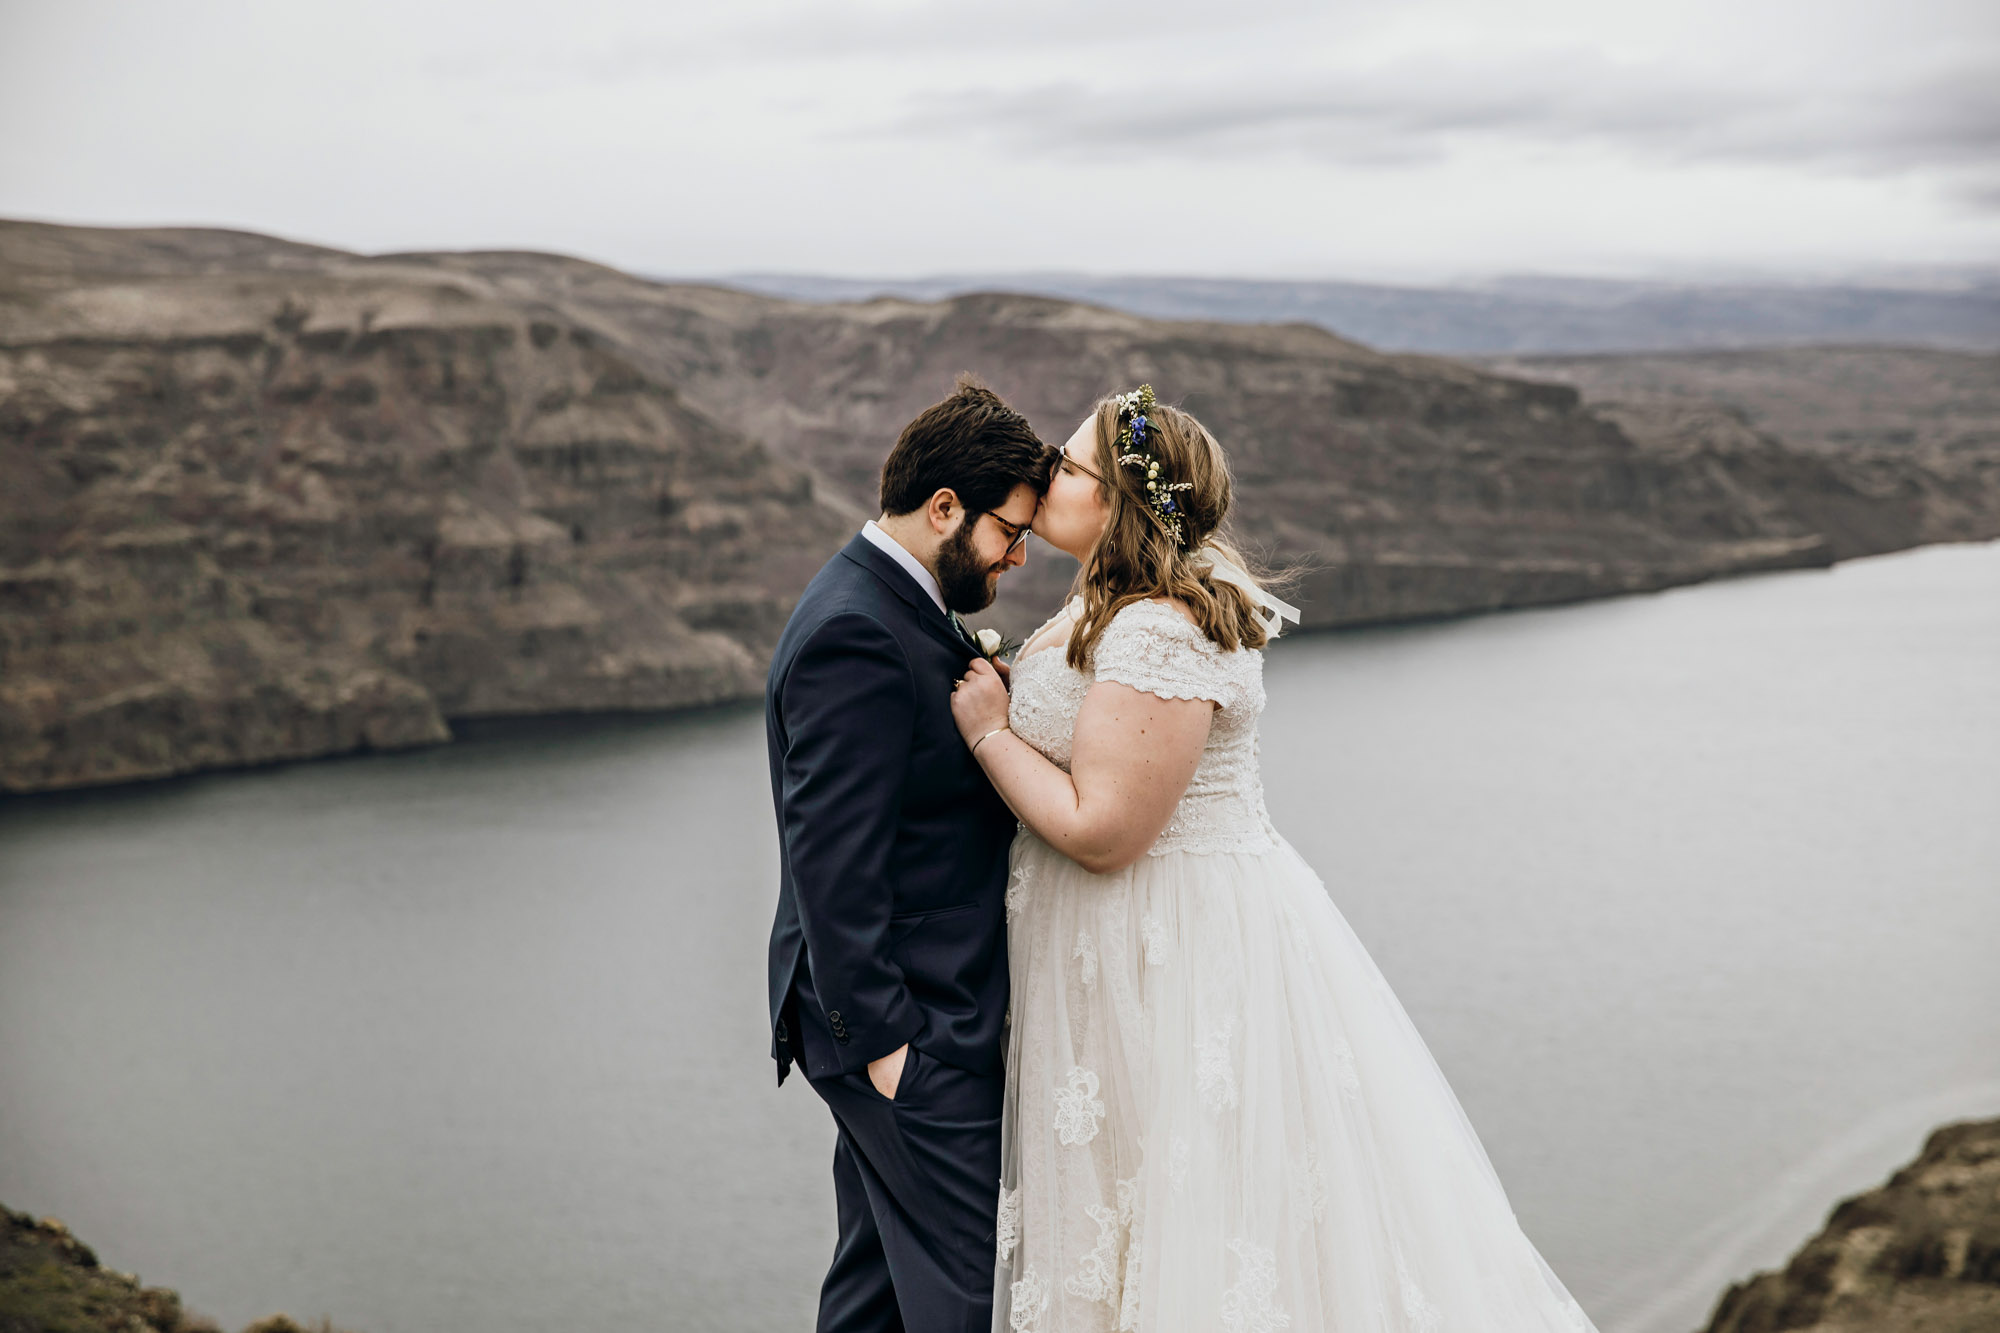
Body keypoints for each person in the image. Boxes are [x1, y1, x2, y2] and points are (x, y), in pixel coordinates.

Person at [949, 387, 1599, 1332]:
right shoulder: (1099, 601)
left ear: (1124, 504)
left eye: (1076, 466)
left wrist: (989, 733)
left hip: (1167, 953)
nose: (1051, 472)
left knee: (1200, 1226)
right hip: (1105, 953)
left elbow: (1104, 831)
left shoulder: (1158, 627)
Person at [766, 376, 1057, 1333]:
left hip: (919, 1023)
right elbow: (831, 864)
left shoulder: (896, 600)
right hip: (908, 1030)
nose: (1017, 554)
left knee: (878, 1296)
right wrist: (887, 1050)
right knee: (983, 1297)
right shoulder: (854, 630)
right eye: (1008, 531)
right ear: (944, 508)